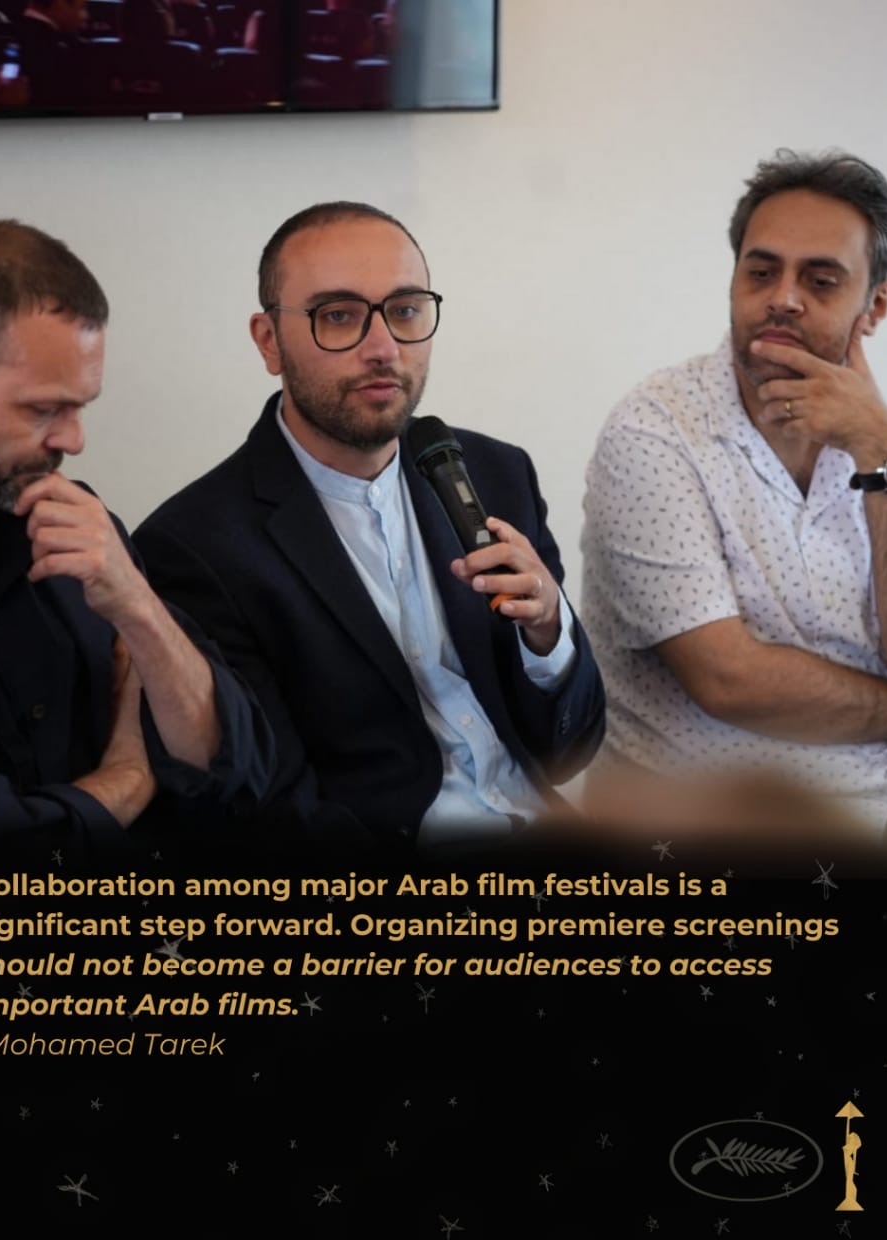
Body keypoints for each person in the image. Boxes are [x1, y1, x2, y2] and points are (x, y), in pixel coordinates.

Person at [135, 200, 605, 847]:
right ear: (268, 341)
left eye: (405, 310)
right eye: (338, 316)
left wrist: (549, 633)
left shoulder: (496, 474)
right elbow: (272, 805)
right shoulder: (196, 546)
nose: (383, 349)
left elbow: (568, 750)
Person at [580, 149, 887, 843]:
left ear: (876, 305)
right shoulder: (656, 430)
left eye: (820, 280)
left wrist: (881, 455)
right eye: (761, 272)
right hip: (711, 837)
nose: (783, 299)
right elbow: (730, 681)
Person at [0, 219, 273, 852]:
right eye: (43, 409)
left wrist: (139, 609)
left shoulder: (77, 522)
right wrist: (128, 780)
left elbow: (235, 772)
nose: (74, 441)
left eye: (81, 407)